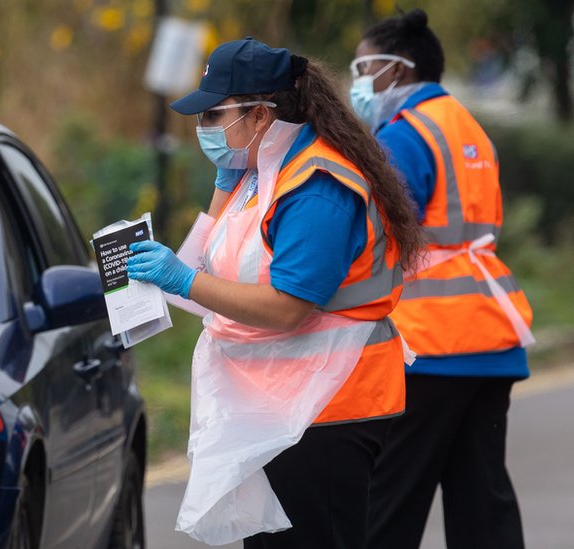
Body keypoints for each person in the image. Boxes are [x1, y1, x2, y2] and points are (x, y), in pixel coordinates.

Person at [125, 37, 423, 547]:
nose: (203, 130)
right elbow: (210, 263)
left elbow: (287, 308)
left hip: (331, 410)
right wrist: (222, 187)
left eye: (213, 117)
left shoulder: (316, 185)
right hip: (282, 404)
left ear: (260, 116)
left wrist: (182, 279)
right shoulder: (261, 170)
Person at [349, 9, 534, 549]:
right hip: (491, 336)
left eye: (364, 68)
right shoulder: (466, 126)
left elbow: (370, 235)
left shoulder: (404, 137)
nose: (357, 82)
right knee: (483, 505)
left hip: (429, 344)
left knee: (388, 504)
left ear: (396, 70)